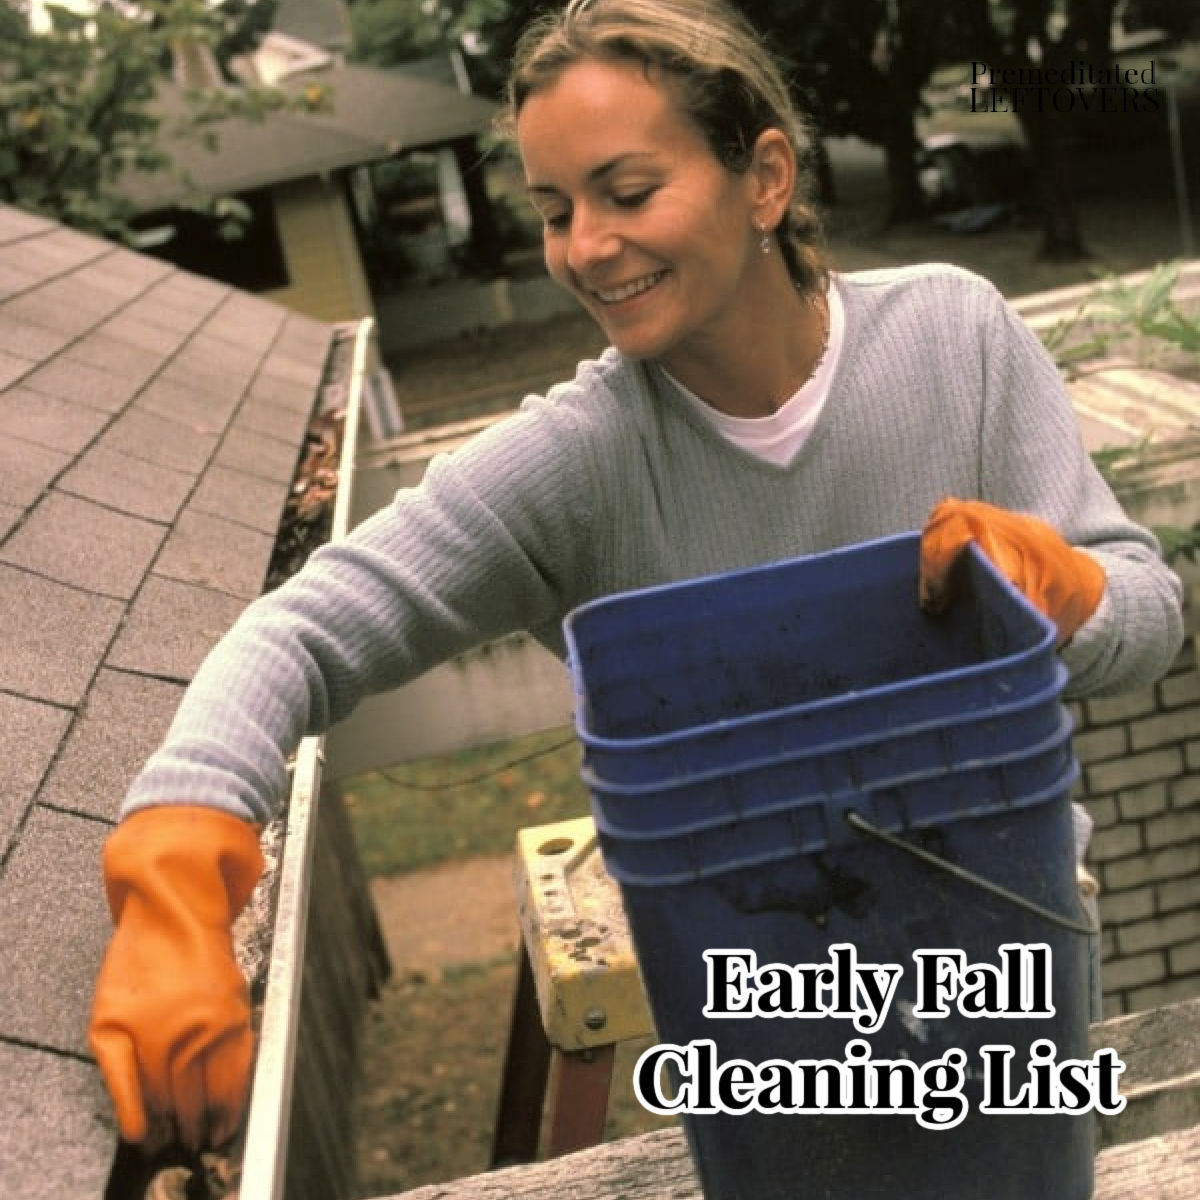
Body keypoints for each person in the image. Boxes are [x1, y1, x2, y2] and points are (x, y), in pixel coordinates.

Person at [89, 0, 1184, 1159]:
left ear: (764, 175)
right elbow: (298, 633)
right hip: (760, 1013)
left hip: (1005, 957)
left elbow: (1148, 616)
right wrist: (173, 874)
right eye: (555, 211)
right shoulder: (580, 463)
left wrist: (1064, 589)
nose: (584, 249)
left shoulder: (956, 340)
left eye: (626, 191)